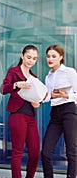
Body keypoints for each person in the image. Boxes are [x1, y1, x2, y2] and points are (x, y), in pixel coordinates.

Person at [0, 45, 41, 178]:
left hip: (30, 117)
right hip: (17, 115)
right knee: (18, 152)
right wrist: (17, 85)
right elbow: (3, 89)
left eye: (34, 59)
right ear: (22, 56)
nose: (31, 61)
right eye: (29, 57)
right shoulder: (13, 71)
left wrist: (37, 103)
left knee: (35, 152)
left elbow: (36, 97)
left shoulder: (34, 77)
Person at [41, 44, 77, 178]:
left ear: (61, 57)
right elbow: (47, 96)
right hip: (55, 114)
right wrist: (45, 97)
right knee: (45, 152)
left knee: (71, 151)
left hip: (69, 111)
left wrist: (65, 95)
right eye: (48, 56)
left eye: (53, 56)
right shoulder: (48, 76)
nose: (50, 59)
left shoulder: (69, 72)